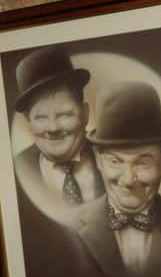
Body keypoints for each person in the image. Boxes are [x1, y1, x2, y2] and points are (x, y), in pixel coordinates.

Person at [70, 81, 161, 277]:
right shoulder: (66, 230)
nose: (129, 179)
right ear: (98, 161)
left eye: (143, 162)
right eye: (115, 161)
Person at [13, 45, 104, 209]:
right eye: (40, 118)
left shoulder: (116, 159)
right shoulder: (15, 172)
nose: (53, 128)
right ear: (29, 123)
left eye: (64, 114)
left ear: (85, 114)